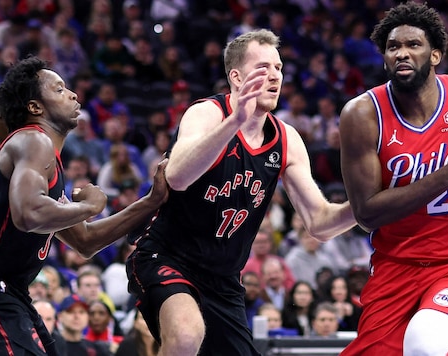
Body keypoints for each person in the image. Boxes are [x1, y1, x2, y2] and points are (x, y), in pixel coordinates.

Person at [126, 29, 356, 356]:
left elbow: (319, 223)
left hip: (224, 279)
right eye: (264, 68)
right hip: (167, 256)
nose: (275, 75)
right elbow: (176, 177)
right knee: (187, 335)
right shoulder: (207, 113)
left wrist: (364, 205)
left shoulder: (286, 139)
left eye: (279, 68)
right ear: (236, 76)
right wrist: (235, 121)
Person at [0, 57, 168, 355]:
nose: (73, 94)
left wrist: (152, 201)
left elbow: (86, 241)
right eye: (59, 89)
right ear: (35, 107)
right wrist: (90, 206)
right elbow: (28, 215)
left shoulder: (46, 160)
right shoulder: (33, 141)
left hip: (4, 289)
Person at [338, 2, 448, 355]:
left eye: (413, 45)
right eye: (393, 47)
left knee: (423, 341)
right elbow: (367, 214)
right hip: (395, 266)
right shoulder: (362, 115)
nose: (402, 54)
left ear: (435, 54)